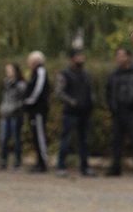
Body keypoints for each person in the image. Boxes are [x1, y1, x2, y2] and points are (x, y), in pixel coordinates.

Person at [106, 47, 133, 177]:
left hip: (132, 111)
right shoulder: (114, 73)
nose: (119, 58)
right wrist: (111, 106)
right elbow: (108, 91)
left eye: (121, 55)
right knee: (116, 141)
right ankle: (116, 168)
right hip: (118, 111)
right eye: (117, 55)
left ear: (128, 57)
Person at [56, 48, 95, 176]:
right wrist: (73, 102)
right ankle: (61, 166)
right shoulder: (65, 74)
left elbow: (89, 91)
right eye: (79, 56)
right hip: (70, 112)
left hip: (84, 112)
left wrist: (90, 103)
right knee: (66, 139)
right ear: (73, 58)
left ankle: (85, 167)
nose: (81, 59)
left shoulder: (85, 74)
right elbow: (59, 92)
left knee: (84, 141)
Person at [22, 50, 52, 172]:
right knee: (36, 135)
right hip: (34, 110)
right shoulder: (35, 72)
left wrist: (28, 101)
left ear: (34, 61)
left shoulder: (40, 71)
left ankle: (43, 163)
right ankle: (39, 161)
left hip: (39, 110)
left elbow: (38, 90)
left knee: (40, 136)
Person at [0, 61, 27, 169]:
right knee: (3, 138)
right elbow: (4, 97)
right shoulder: (6, 82)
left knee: (16, 138)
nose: (8, 72)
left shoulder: (21, 84)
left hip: (16, 114)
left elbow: (22, 100)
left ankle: (17, 161)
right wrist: (2, 107)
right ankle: (3, 161)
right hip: (5, 114)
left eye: (10, 70)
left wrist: (15, 108)